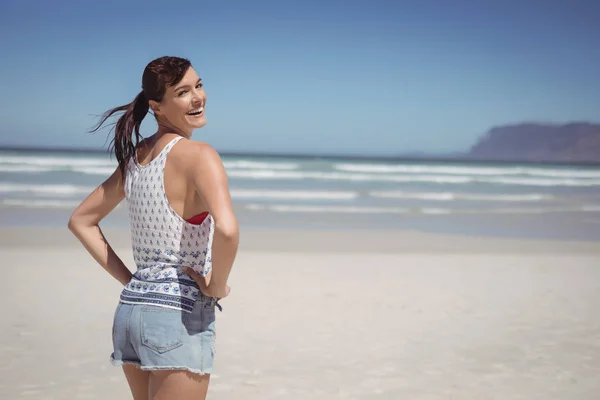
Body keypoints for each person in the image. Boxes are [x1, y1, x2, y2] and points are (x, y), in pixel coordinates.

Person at [68, 56, 239, 400]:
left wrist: (131, 281)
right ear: (157, 107)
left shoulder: (136, 158)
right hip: (175, 316)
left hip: (131, 311)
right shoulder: (200, 155)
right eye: (183, 92)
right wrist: (215, 286)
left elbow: (81, 221)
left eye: (199, 86)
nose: (198, 98)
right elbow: (228, 230)